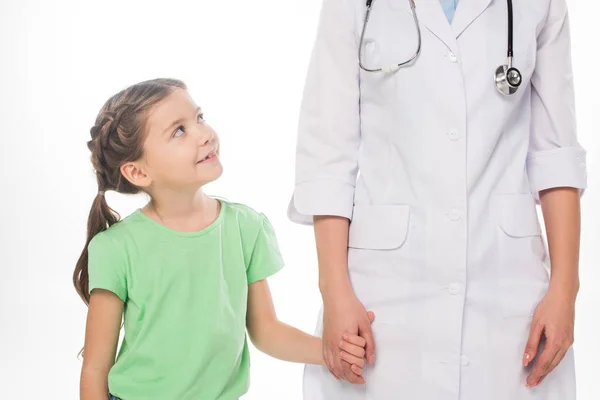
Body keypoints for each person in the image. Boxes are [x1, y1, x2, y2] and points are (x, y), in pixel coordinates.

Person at [288, 0, 587, 398]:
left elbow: (556, 153)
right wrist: (334, 290)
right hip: (383, 291)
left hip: (506, 288)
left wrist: (566, 289)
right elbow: (328, 156)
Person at [73, 78, 370, 400]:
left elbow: (266, 331)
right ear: (139, 173)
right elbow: (95, 368)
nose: (204, 134)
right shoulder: (116, 247)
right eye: (178, 130)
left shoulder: (245, 227)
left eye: (199, 118)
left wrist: (331, 351)